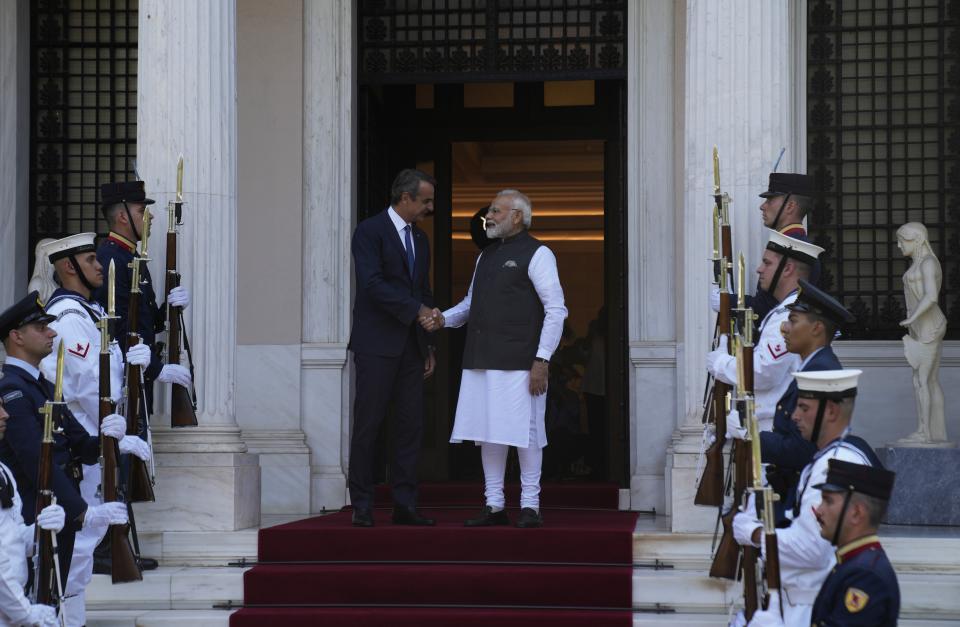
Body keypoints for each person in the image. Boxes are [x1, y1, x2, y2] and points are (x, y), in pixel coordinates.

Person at [427, 189, 567, 528]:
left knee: (527, 432)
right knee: (487, 432)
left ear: (517, 217)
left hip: (522, 362)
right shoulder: (485, 256)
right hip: (481, 359)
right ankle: (494, 505)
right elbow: (471, 304)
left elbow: (556, 310)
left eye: (495, 211)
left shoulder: (539, 253)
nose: (488, 217)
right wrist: (443, 318)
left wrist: (542, 360)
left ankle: (530, 505)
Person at [40, 234, 153, 626]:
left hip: (97, 438)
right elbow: (90, 387)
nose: (100, 265)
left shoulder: (86, 314)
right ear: (68, 267)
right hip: (85, 444)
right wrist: (117, 435)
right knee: (79, 542)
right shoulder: (68, 320)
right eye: (91, 259)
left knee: (85, 545)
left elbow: (109, 378)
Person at [0, 293, 129, 596]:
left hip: (60, 509)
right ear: (17, 337)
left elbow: (80, 444)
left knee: (55, 596)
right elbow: (35, 457)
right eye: (41, 328)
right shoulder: (13, 390)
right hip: (36, 513)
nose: (53, 333)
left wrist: (115, 439)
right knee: (38, 596)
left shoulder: (42, 385)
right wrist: (83, 511)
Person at [732, 370, 882, 627]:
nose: (794, 416)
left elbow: (811, 548)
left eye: (803, 407)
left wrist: (755, 533)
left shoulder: (834, 465)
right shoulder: (829, 458)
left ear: (831, 411)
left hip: (807, 607)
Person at [347, 169, 438, 528]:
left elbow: (424, 292)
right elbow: (371, 284)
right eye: (426, 200)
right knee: (368, 425)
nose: (430, 207)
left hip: (412, 349)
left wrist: (429, 340)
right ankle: (363, 504)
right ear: (405, 198)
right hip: (376, 345)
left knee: (409, 427)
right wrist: (415, 310)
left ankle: (405, 504)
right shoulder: (369, 231)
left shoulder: (421, 239)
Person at [728, 279, 853, 523]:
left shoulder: (819, 374)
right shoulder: (812, 366)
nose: (784, 328)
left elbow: (802, 449)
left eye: (793, 320)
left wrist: (750, 434)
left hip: (801, 500)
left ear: (816, 328)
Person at [749, 459, 900, 626]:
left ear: (857, 513)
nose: (819, 510)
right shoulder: (851, 563)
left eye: (828, 501)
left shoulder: (866, 577)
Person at [707, 231, 824, 432]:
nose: (759, 269)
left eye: (767, 263)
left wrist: (720, 363)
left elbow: (763, 372)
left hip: (771, 431)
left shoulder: (788, 316)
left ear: (787, 269)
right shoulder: (786, 310)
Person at [93, 180, 192, 413]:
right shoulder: (111, 260)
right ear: (123, 217)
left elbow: (146, 322)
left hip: (139, 376)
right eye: (141, 210)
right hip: (123, 379)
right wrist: (158, 369)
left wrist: (170, 306)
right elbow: (116, 328)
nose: (150, 217)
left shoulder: (131, 257)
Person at [711, 173, 819, 321]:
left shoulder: (793, 249)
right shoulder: (789, 243)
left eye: (770, 200)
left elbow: (771, 308)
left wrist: (729, 302)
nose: (763, 206)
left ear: (790, 206)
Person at [0, 397, 64, 627]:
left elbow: (13, 539)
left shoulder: (3, 472)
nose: (4, 414)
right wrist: (25, 613)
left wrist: (42, 530)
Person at [896, 222, 948, 443]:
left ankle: (925, 432)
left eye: (902, 240)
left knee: (922, 380)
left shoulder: (928, 263)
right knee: (928, 380)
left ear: (916, 239)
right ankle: (935, 433)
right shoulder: (921, 262)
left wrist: (912, 317)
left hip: (929, 326)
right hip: (921, 328)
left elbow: (931, 296)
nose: (898, 246)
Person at [26, 239, 57, 304]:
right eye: (56, 255)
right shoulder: (37, 283)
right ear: (45, 257)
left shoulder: (54, 283)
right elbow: (34, 309)